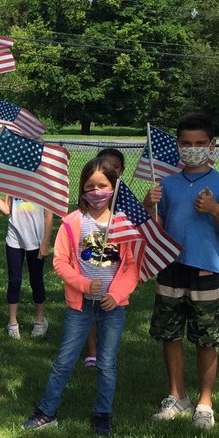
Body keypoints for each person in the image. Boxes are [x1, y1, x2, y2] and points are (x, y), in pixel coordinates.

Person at [143, 112, 219, 431]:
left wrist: (216, 210)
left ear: (212, 145)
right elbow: (155, 230)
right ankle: (177, 396)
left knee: (206, 339)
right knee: (170, 335)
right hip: (170, 268)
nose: (192, 149)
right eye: (186, 144)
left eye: (199, 143)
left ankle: (205, 403)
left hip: (205, 271)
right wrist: (148, 206)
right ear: (177, 146)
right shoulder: (168, 185)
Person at [21, 159, 139, 437]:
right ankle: (47, 412)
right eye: (90, 186)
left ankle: (103, 414)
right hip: (80, 306)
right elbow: (60, 262)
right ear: (82, 189)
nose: (97, 191)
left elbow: (132, 267)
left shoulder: (122, 224)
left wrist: (117, 293)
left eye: (103, 186)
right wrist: (84, 284)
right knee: (64, 360)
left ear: (113, 187)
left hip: (113, 307)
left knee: (107, 363)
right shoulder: (73, 222)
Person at [0, 191, 53, 339]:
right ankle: (12, 322)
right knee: (14, 280)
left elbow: (49, 215)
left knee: (36, 281)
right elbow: (7, 210)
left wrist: (46, 243)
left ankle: (41, 321)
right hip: (14, 239)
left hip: (37, 241)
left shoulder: (43, 185)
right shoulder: (15, 182)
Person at [85, 147, 127, 365]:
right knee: (90, 310)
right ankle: (92, 351)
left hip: (115, 273)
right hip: (91, 267)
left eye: (115, 167)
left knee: (110, 313)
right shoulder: (91, 198)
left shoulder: (125, 201)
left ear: (121, 171)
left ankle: (107, 352)